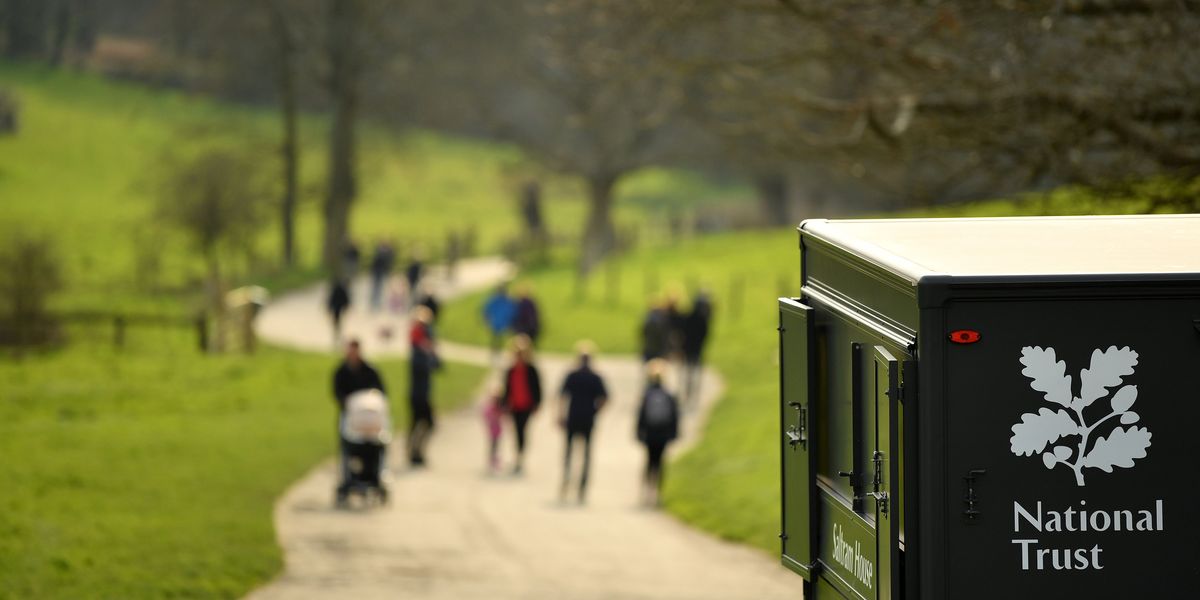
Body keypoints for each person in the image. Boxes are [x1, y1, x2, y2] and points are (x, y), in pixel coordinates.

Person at [332, 340, 386, 499]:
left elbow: (381, 394)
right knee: (347, 449)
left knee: (374, 449)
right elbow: (337, 393)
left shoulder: (370, 371)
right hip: (350, 418)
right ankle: (349, 479)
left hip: (370, 419)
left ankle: (372, 477)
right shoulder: (341, 372)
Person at [558, 341, 608, 504]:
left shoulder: (573, 375)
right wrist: (595, 411)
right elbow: (605, 398)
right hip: (587, 418)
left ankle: (569, 481)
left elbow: (562, 395)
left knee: (571, 452)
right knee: (584, 454)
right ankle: (580, 486)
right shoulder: (595, 377)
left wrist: (561, 415)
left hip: (574, 417)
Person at [636, 359, 679, 507]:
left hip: (650, 433)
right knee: (660, 464)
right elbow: (674, 416)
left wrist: (638, 432)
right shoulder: (669, 395)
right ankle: (658, 494)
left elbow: (641, 415)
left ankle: (646, 491)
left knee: (649, 462)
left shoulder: (647, 394)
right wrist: (674, 433)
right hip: (663, 434)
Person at [500, 335, 541, 475]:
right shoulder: (510, 370)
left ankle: (520, 457)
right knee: (516, 431)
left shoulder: (531, 370)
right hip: (514, 405)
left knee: (522, 431)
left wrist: (537, 404)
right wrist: (503, 404)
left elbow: (537, 388)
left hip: (527, 405)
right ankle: (517, 456)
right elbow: (506, 388)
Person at [408, 305, 439, 467]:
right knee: (424, 423)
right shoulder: (417, 350)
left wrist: (432, 351)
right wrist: (428, 351)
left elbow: (438, 365)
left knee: (421, 424)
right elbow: (424, 366)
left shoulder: (421, 348)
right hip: (418, 394)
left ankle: (416, 451)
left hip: (422, 393)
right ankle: (414, 451)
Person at [680, 291, 713, 409]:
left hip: (688, 350)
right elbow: (705, 336)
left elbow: (683, 333)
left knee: (688, 374)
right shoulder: (703, 320)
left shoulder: (688, 317)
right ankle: (693, 396)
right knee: (695, 374)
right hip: (696, 350)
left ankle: (688, 394)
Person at [482, 284, 517, 358]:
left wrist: (487, 320)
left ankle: (499, 352)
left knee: (499, 338)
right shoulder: (501, 299)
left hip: (500, 322)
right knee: (498, 338)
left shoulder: (498, 299)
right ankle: (497, 352)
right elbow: (487, 310)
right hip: (501, 322)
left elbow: (486, 310)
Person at [639, 297, 670, 363]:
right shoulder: (662, 320)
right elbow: (664, 336)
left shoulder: (647, 319)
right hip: (658, 350)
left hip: (649, 349)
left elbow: (643, 333)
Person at [482, 386, 504, 473]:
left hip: (497, 432)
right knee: (493, 446)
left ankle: (495, 459)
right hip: (492, 432)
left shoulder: (499, 408)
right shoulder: (490, 408)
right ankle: (492, 459)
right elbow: (486, 415)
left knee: (496, 446)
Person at [369, 240, 395, 312]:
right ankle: (373, 303)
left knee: (380, 289)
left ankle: (377, 303)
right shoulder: (380, 254)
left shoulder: (386, 254)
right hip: (377, 273)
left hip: (381, 272)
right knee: (376, 288)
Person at [327, 279, 350, 343]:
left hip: (337, 308)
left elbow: (330, 300)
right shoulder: (342, 290)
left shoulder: (335, 290)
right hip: (338, 308)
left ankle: (337, 331)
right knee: (337, 321)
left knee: (337, 321)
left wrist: (329, 307)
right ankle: (337, 331)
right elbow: (346, 300)